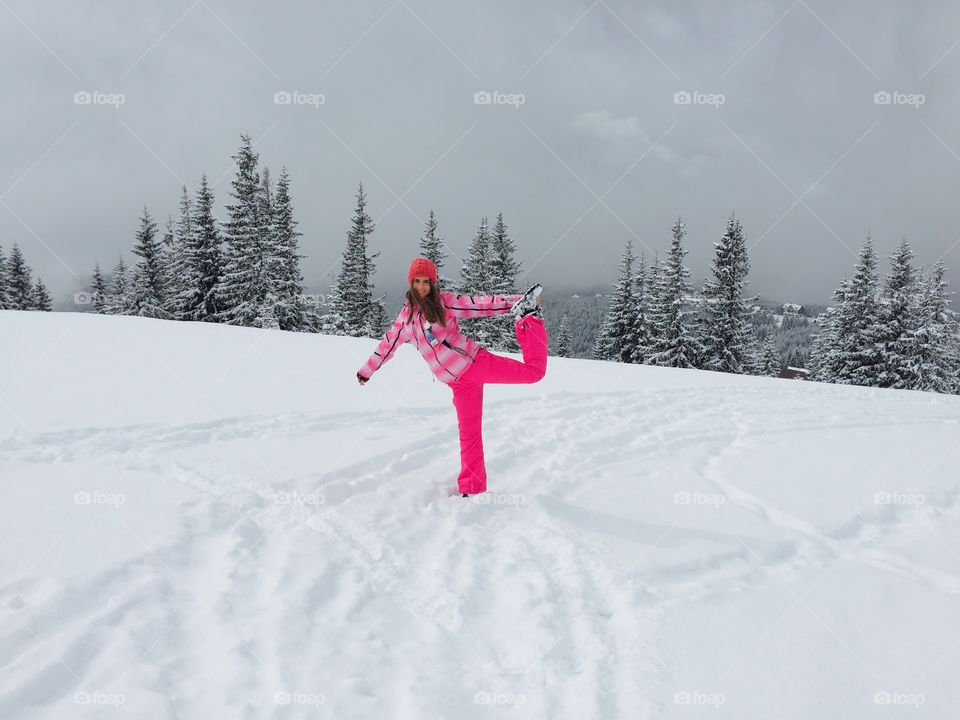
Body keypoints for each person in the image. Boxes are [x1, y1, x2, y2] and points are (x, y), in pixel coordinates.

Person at [357, 257, 548, 497]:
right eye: (416, 281)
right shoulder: (405, 318)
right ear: (410, 282)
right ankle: (472, 488)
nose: (421, 286)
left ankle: (528, 317)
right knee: (469, 435)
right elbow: (387, 345)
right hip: (458, 385)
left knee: (534, 373)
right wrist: (367, 370)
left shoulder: (444, 302)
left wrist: (516, 301)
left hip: (474, 364)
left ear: (433, 282)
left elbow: (478, 305)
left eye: (426, 281)